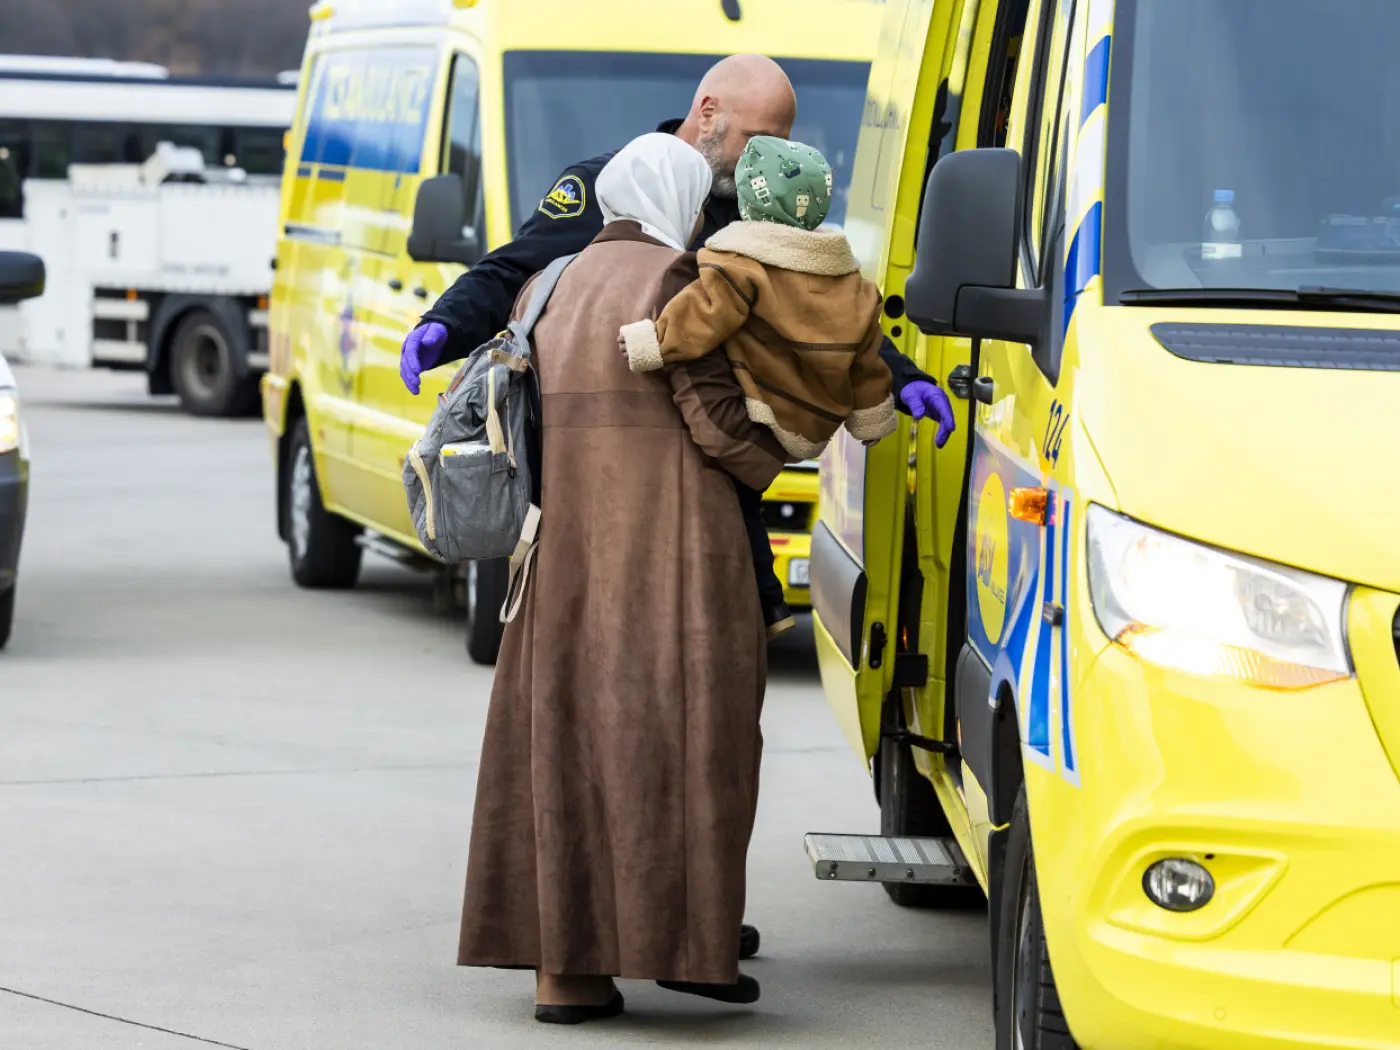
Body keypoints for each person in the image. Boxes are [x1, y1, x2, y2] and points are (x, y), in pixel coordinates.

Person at [400, 56, 957, 644]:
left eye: (781, 143)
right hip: (602, 463)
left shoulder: (761, 211)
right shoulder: (613, 185)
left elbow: (820, 309)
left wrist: (901, 378)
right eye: (757, 139)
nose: (767, 158)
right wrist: (445, 325)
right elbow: (513, 271)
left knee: (715, 633)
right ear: (707, 113)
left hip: (713, 463)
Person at [457, 133, 780, 1024]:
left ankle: (565, 978)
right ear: (681, 199)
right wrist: (783, 448)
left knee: (560, 749)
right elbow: (715, 423)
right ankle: (689, 951)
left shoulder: (548, 283)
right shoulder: (680, 281)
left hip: (561, 556)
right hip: (676, 553)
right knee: (693, 741)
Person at [620, 135, 896, 636]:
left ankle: (764, 603)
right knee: (749, 506)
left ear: (749, 200)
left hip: (763, 410)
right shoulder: (852, 284)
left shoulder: (739, 266)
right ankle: (771, 604)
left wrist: (651, 343)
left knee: (739, 502)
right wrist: (872, 421)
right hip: (816, 423)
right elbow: (868, 365)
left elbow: (700, 318)